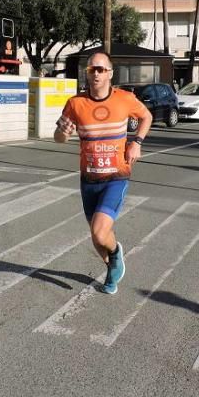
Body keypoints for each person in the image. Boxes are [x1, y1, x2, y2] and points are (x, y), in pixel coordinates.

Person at [54, 53, 153, 294]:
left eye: (100, 69)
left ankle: (116, 253)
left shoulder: (125, 99)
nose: (95, 73)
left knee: (99, 231)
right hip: (88, 178)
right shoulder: (75, 103)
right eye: (91, 70)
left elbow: (146, 116)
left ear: (110, 73)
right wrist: (63, 133)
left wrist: (137, 142)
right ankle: (112, 264)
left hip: (116, 176)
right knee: (98, 237)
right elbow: (58, 138)